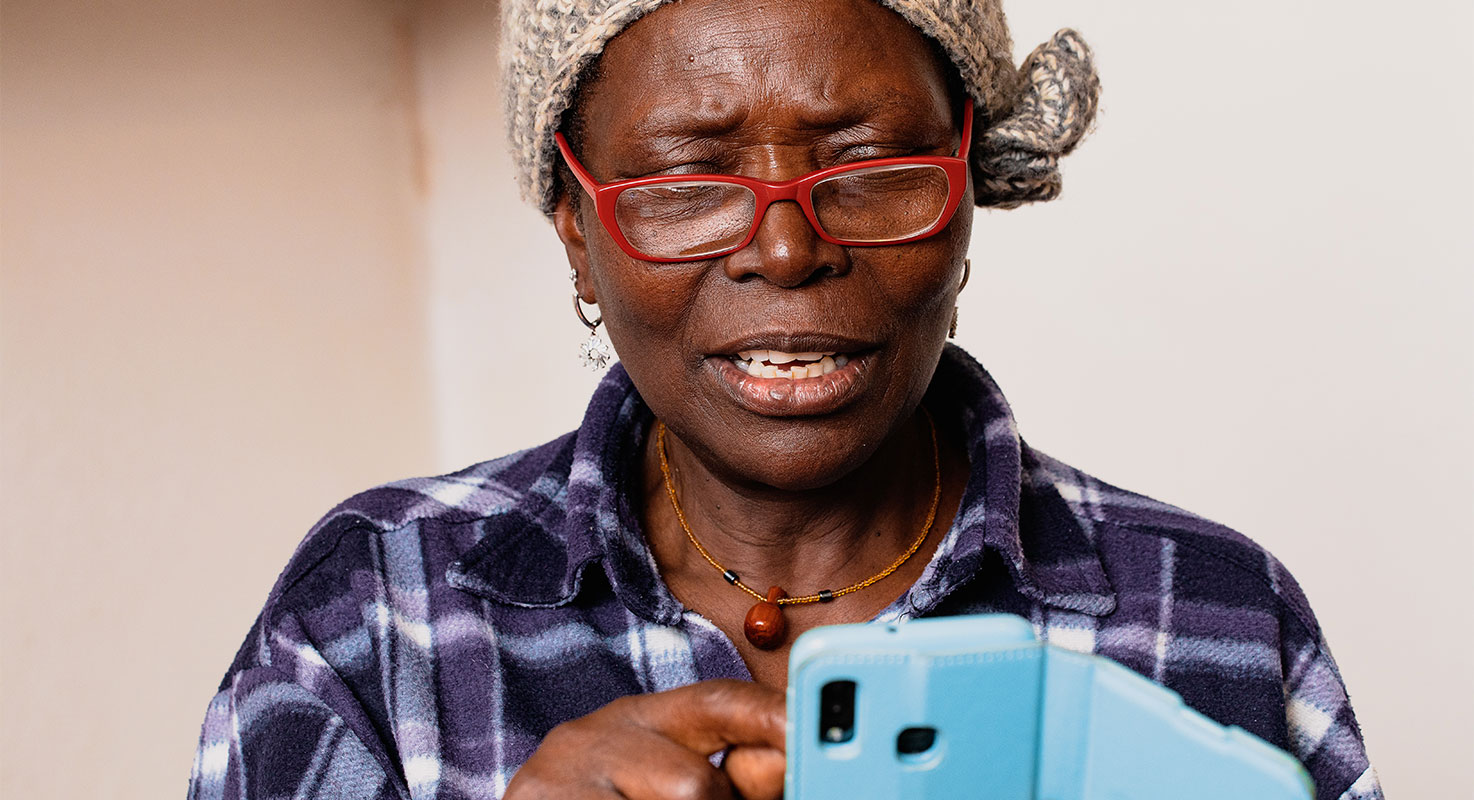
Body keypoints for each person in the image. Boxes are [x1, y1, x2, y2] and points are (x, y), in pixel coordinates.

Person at [188, 0, 1382, 798]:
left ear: (966, 193)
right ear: (574, 225)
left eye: (863, 165)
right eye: (686, 177)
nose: (783, 248)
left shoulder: (1214, 611)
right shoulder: (378, 608)